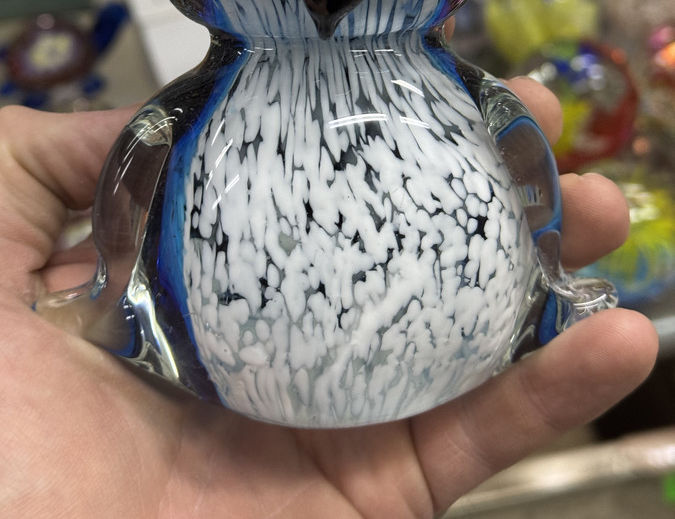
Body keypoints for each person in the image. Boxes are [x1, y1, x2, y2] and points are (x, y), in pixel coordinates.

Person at [0, 81, 658, 519]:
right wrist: (112, 307)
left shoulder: (468, 97)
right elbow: (128, 197)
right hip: (220, 378)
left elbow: (533, 190)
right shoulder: (193, 112)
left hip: (446, 360)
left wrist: (543, 289)